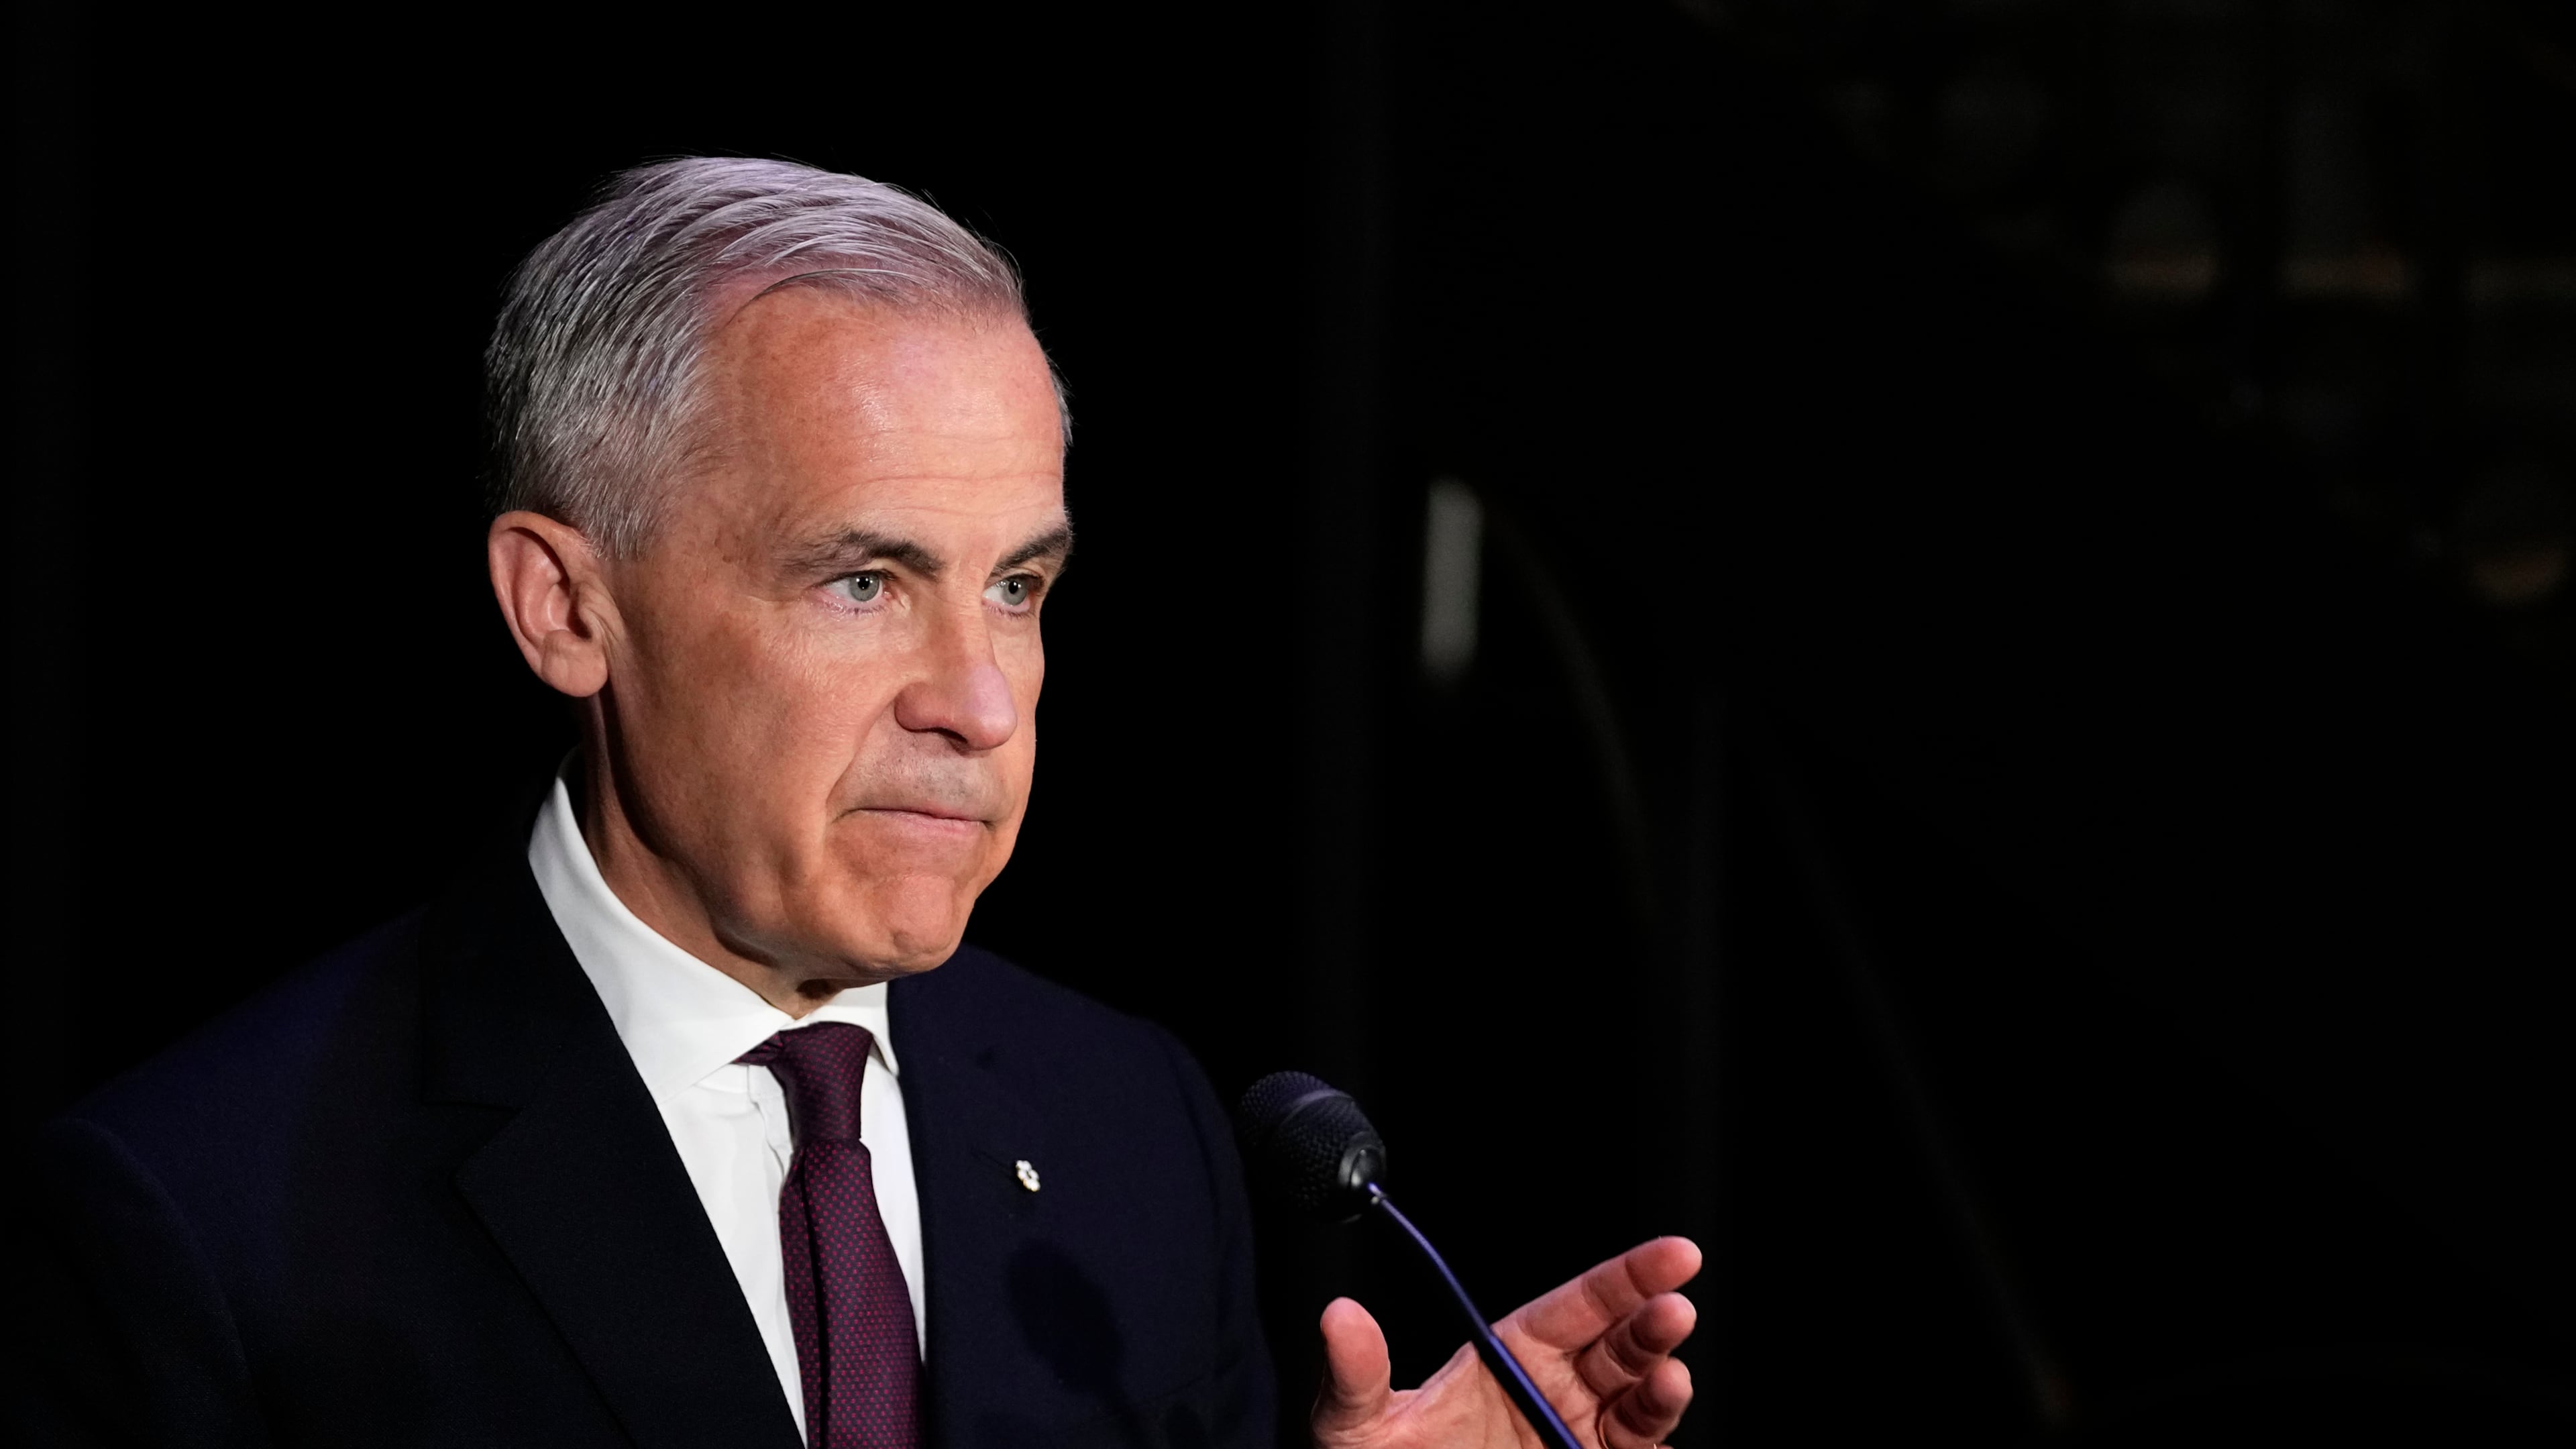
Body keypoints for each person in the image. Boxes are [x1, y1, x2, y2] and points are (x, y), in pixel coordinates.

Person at [25, 158, 1698, 1449]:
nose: (977, 701)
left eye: (1021, 587)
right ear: (565, 608)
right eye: (864, 582)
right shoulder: (201, 1222)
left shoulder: (1133, 1124)